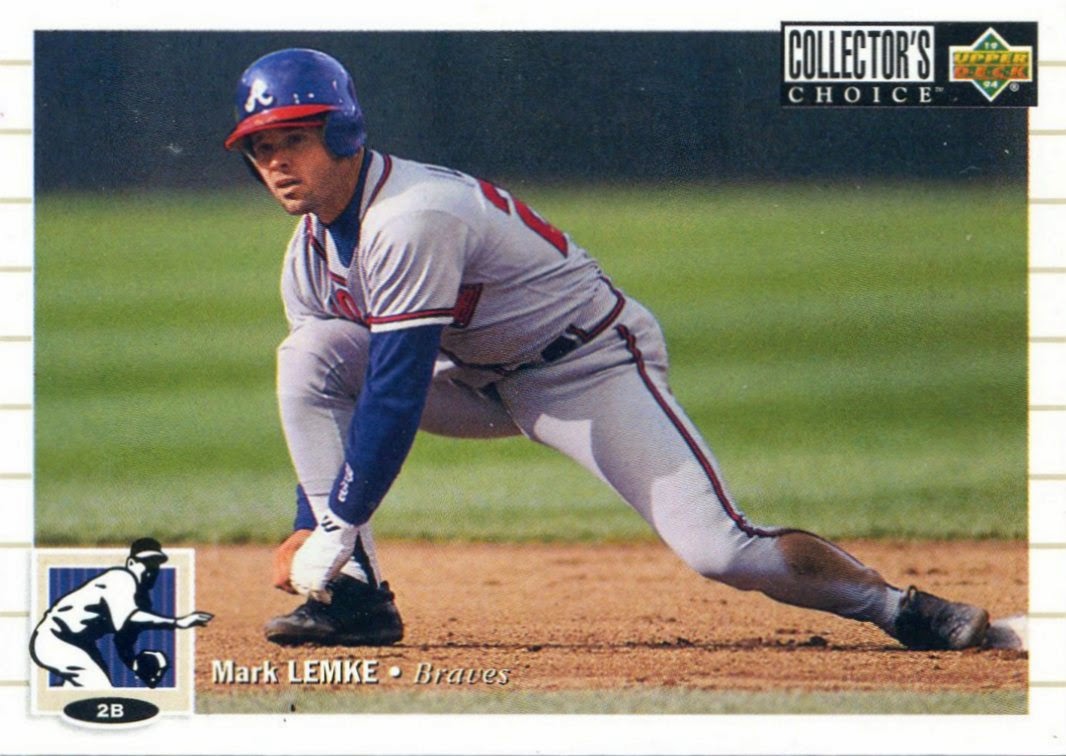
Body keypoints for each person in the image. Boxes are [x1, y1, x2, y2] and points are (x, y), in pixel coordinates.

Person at [224, 48, 990, 651]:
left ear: (345, 133)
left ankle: (902, 608)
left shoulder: (410, 217)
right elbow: (329, 398)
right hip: (475, 380)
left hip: (585, 367)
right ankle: (356, 601)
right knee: (310, 352)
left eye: (295, 139)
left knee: (721, 551)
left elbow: (392, 395)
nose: (277, 162)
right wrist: (313, 521)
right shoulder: (308, 253)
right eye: (260, 148)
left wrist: (338, 524)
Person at [30, 538, 214, 688]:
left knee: (82, 689)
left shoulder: (140, 599)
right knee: (99, 690)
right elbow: (131, 618)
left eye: (155, 565)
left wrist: (134, 663)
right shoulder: (121, 578)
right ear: (131, 563)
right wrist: (177, 622)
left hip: (77, 644)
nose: (151, 570)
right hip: (55, 640)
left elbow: (123, 639)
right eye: (146, 563)